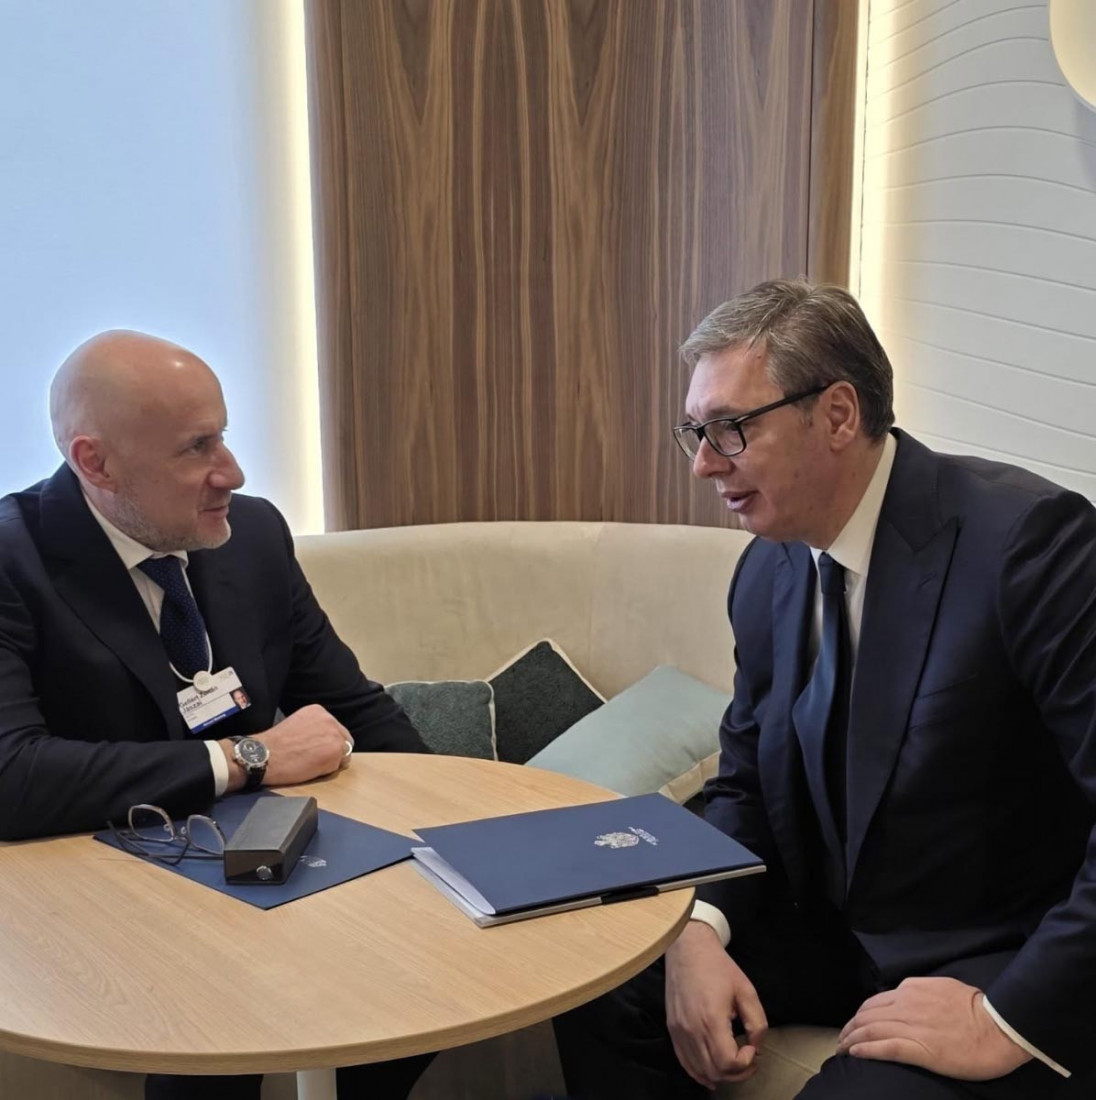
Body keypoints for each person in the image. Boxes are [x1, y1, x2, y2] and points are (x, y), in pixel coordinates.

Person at [551, 280, 1096, 1099]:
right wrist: (698, 927)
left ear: (838, 415)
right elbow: (744, 785)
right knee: (597, 975)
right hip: (833, 933)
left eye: (731, 429)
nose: (704, 463)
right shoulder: (766, 571)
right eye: (696, 432)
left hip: (996, 956)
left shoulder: (1030, 546)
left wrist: (1005, 1018)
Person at [0, 330, 433, 1100]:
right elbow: (13, 776)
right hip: (96, 894)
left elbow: (351, 705)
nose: (231, 471)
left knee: (425, 980)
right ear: (96, 463)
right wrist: (245, 758)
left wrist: (458, 838)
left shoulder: (251, 534)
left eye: (223, 435)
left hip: (264, 868)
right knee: (213, 1042)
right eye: (197, 448)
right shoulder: (12, 560)